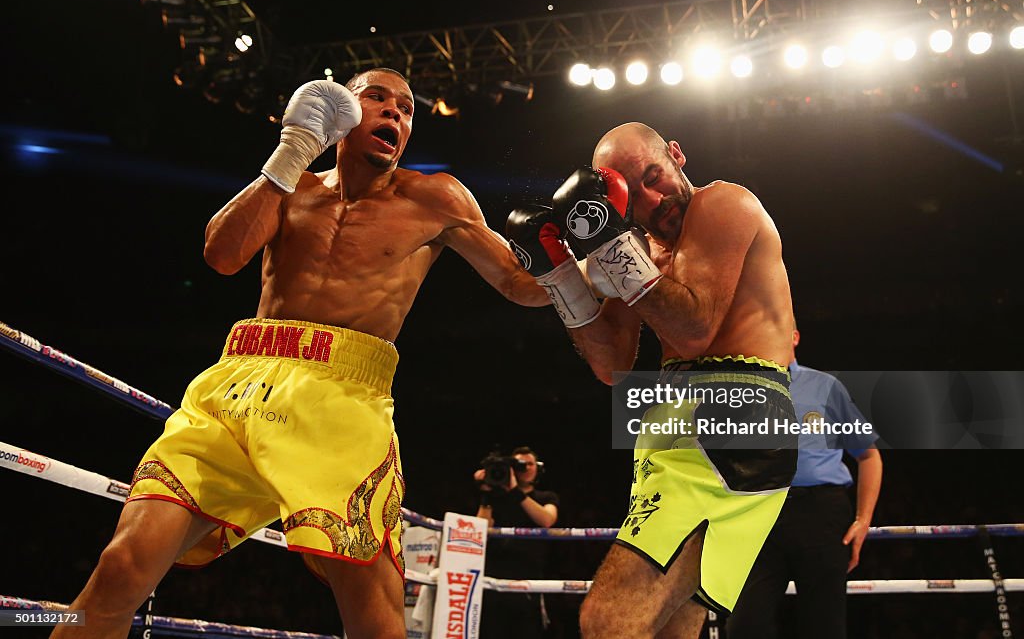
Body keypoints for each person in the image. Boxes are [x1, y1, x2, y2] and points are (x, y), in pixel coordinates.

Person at [53, 68, 549, 639]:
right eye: (378, 99)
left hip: (341, 398)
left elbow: (521, 284)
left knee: (371, 607)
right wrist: (292, 152)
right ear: (342, 110)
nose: (394, 113)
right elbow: (221, 254)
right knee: (119, 569)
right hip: (239, 383)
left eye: (406, 108)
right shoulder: (295, 189)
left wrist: (596, 260)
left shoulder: (433, 196)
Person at [506, 122, 797, 639]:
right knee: (668, 631)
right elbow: (611, 365)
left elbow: (693, 329)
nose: (652, 197)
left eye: (654, 175)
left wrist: (612, 244)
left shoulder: (724, 203)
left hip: (734, 412)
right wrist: (559, 276)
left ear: (677, 156)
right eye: (632, 191)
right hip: (678, 426)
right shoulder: (637, 249)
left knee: (607, 620)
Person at [726, 323, 882, 639]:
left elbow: (868, 456)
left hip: (821, 513)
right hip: (760, 515)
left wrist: (863, 520)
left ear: (794, 337)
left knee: (824, 626)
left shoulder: (825, 387)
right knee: (745, 626)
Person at [473, 447, 559, 638]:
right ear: (511, 468)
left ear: (538, 469)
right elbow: (481, 528)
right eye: (520, 464)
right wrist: (486, 493)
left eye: (531, 463)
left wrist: (515, 491)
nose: (526, 467)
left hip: (528, 577)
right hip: (494, 577)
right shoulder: (496, 497)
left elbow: (546, 520)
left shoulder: (546, 497)